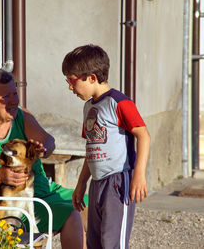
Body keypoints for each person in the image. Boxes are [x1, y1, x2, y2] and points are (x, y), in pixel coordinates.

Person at [0, 68, 88, 248]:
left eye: (15, 93)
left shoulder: (20, 116)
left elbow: (49, 141)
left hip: (44, 191)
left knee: (94, 204)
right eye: (5, 97)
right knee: (72, 213)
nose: (13, 101)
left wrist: (43, 149)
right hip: (15, 208)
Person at [61, 44, 151, 249]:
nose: (70, 87)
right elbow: (91, 148)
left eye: (72, 81)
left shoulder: (119, 103)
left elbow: (143, 135)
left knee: (113, 243)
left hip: (118, 181)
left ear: (91, 78)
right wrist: (81, 182)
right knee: (95, 242)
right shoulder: (88, 107)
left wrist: (139, 174)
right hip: (96, 183)